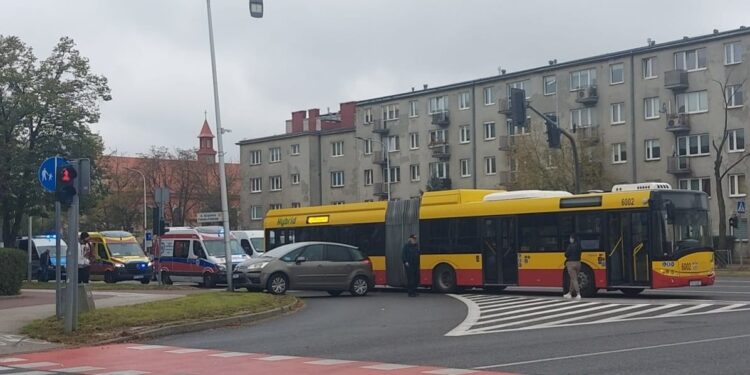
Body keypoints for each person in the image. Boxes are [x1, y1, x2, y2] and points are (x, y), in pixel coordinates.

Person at [564, 234, 582, 299]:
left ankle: (578, 294)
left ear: (573, 239)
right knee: (573, 279)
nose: (570, 240)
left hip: (571, 263)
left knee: (574, 279)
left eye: (570, 238)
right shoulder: (579, 246)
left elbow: (566, 254)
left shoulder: (570, 246)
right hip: (578, 263)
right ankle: (569, 293)